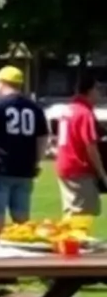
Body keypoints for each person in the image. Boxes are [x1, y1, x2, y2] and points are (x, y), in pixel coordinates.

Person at [0, 66, 49, 238]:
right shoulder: (35, 108)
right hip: (25, 169)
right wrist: (36, 162)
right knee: (22, 214)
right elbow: (42, 138)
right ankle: (23, 245)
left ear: (2, 84)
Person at [56, 76, 106, 216]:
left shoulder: (69, 109)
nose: (100, 93)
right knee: (81, 213)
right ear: (89, 91)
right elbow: (90, 146)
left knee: (74, 210)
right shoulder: (84, 113)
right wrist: (102, 173)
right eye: (97, 89)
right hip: (79, 167)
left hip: (66, 165)